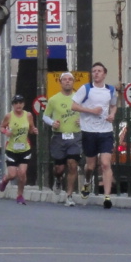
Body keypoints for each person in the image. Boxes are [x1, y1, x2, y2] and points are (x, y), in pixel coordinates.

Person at [71, 62, 118, 209]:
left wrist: (112, 114)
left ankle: (107, 197)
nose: (96, 73)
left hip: (106, 131)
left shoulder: (110, 90)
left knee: (105, 163)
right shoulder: (86, 88)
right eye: (94, 71)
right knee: (90, 166)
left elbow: (114, 105)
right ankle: (87, 182)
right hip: (89, 131)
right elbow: (73, 106)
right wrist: (91, 111)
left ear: (104, 74)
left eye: (99, 71)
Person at [42, 72, 82, 207]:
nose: (67, 81)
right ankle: (58, 179)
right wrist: (52, 123)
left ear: (73, 82)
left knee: (72, 164)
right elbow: (45, 116)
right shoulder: (54, 99)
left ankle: (69, 195)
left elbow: (87, 113)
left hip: (75, 136)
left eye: (70, 79)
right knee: (59, 168)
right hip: (59, 136)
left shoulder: (79, 99)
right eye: (64, 79)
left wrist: (82, 120)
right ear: (60, 82)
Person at [0, 94, 38, 205]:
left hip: (25, 149)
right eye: (16, 103)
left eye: (20, 103)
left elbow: (31, 128)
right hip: (11, 150)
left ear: (23, 104)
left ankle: (20, 195)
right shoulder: (9, 116)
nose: (18, 105)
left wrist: (34, 130)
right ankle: (5, 180)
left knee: (22, 173)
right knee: (12, 174)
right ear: (13, 105)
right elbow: (1, 127)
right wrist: (6, 131)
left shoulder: (28, 115)